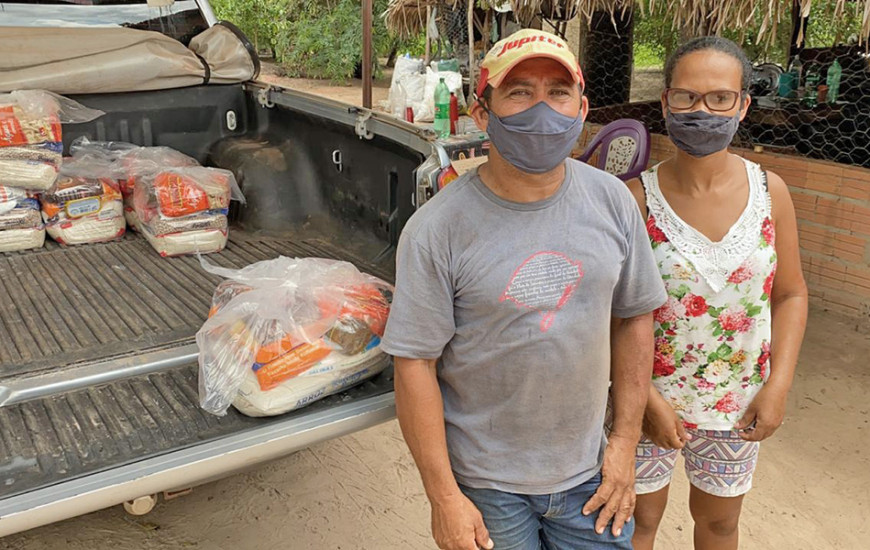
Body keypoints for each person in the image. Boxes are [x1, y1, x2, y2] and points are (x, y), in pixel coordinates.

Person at [380, 29, 668, 550]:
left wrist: (624, 443)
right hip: (486, 484)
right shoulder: (437, 228)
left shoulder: (613, 202)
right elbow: (414, 363)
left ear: (582, 109)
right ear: (482, 112)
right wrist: (444, 497)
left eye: (558, 93)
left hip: (590, 473)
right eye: (519, 92)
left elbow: (634, 319)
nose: (543, 111)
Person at [625, 37, 809, 550]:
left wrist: (778, 387)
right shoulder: (634, 199)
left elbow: (791, 294)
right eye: (686, 97)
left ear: (743, 105)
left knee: (721, 526)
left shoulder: (772, 192)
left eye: (719, 98)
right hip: (646, 403)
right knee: (634, 524)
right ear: (665, 103)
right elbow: (607, 312)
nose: (701, 110)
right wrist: (639, 397)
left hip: (737, 406)